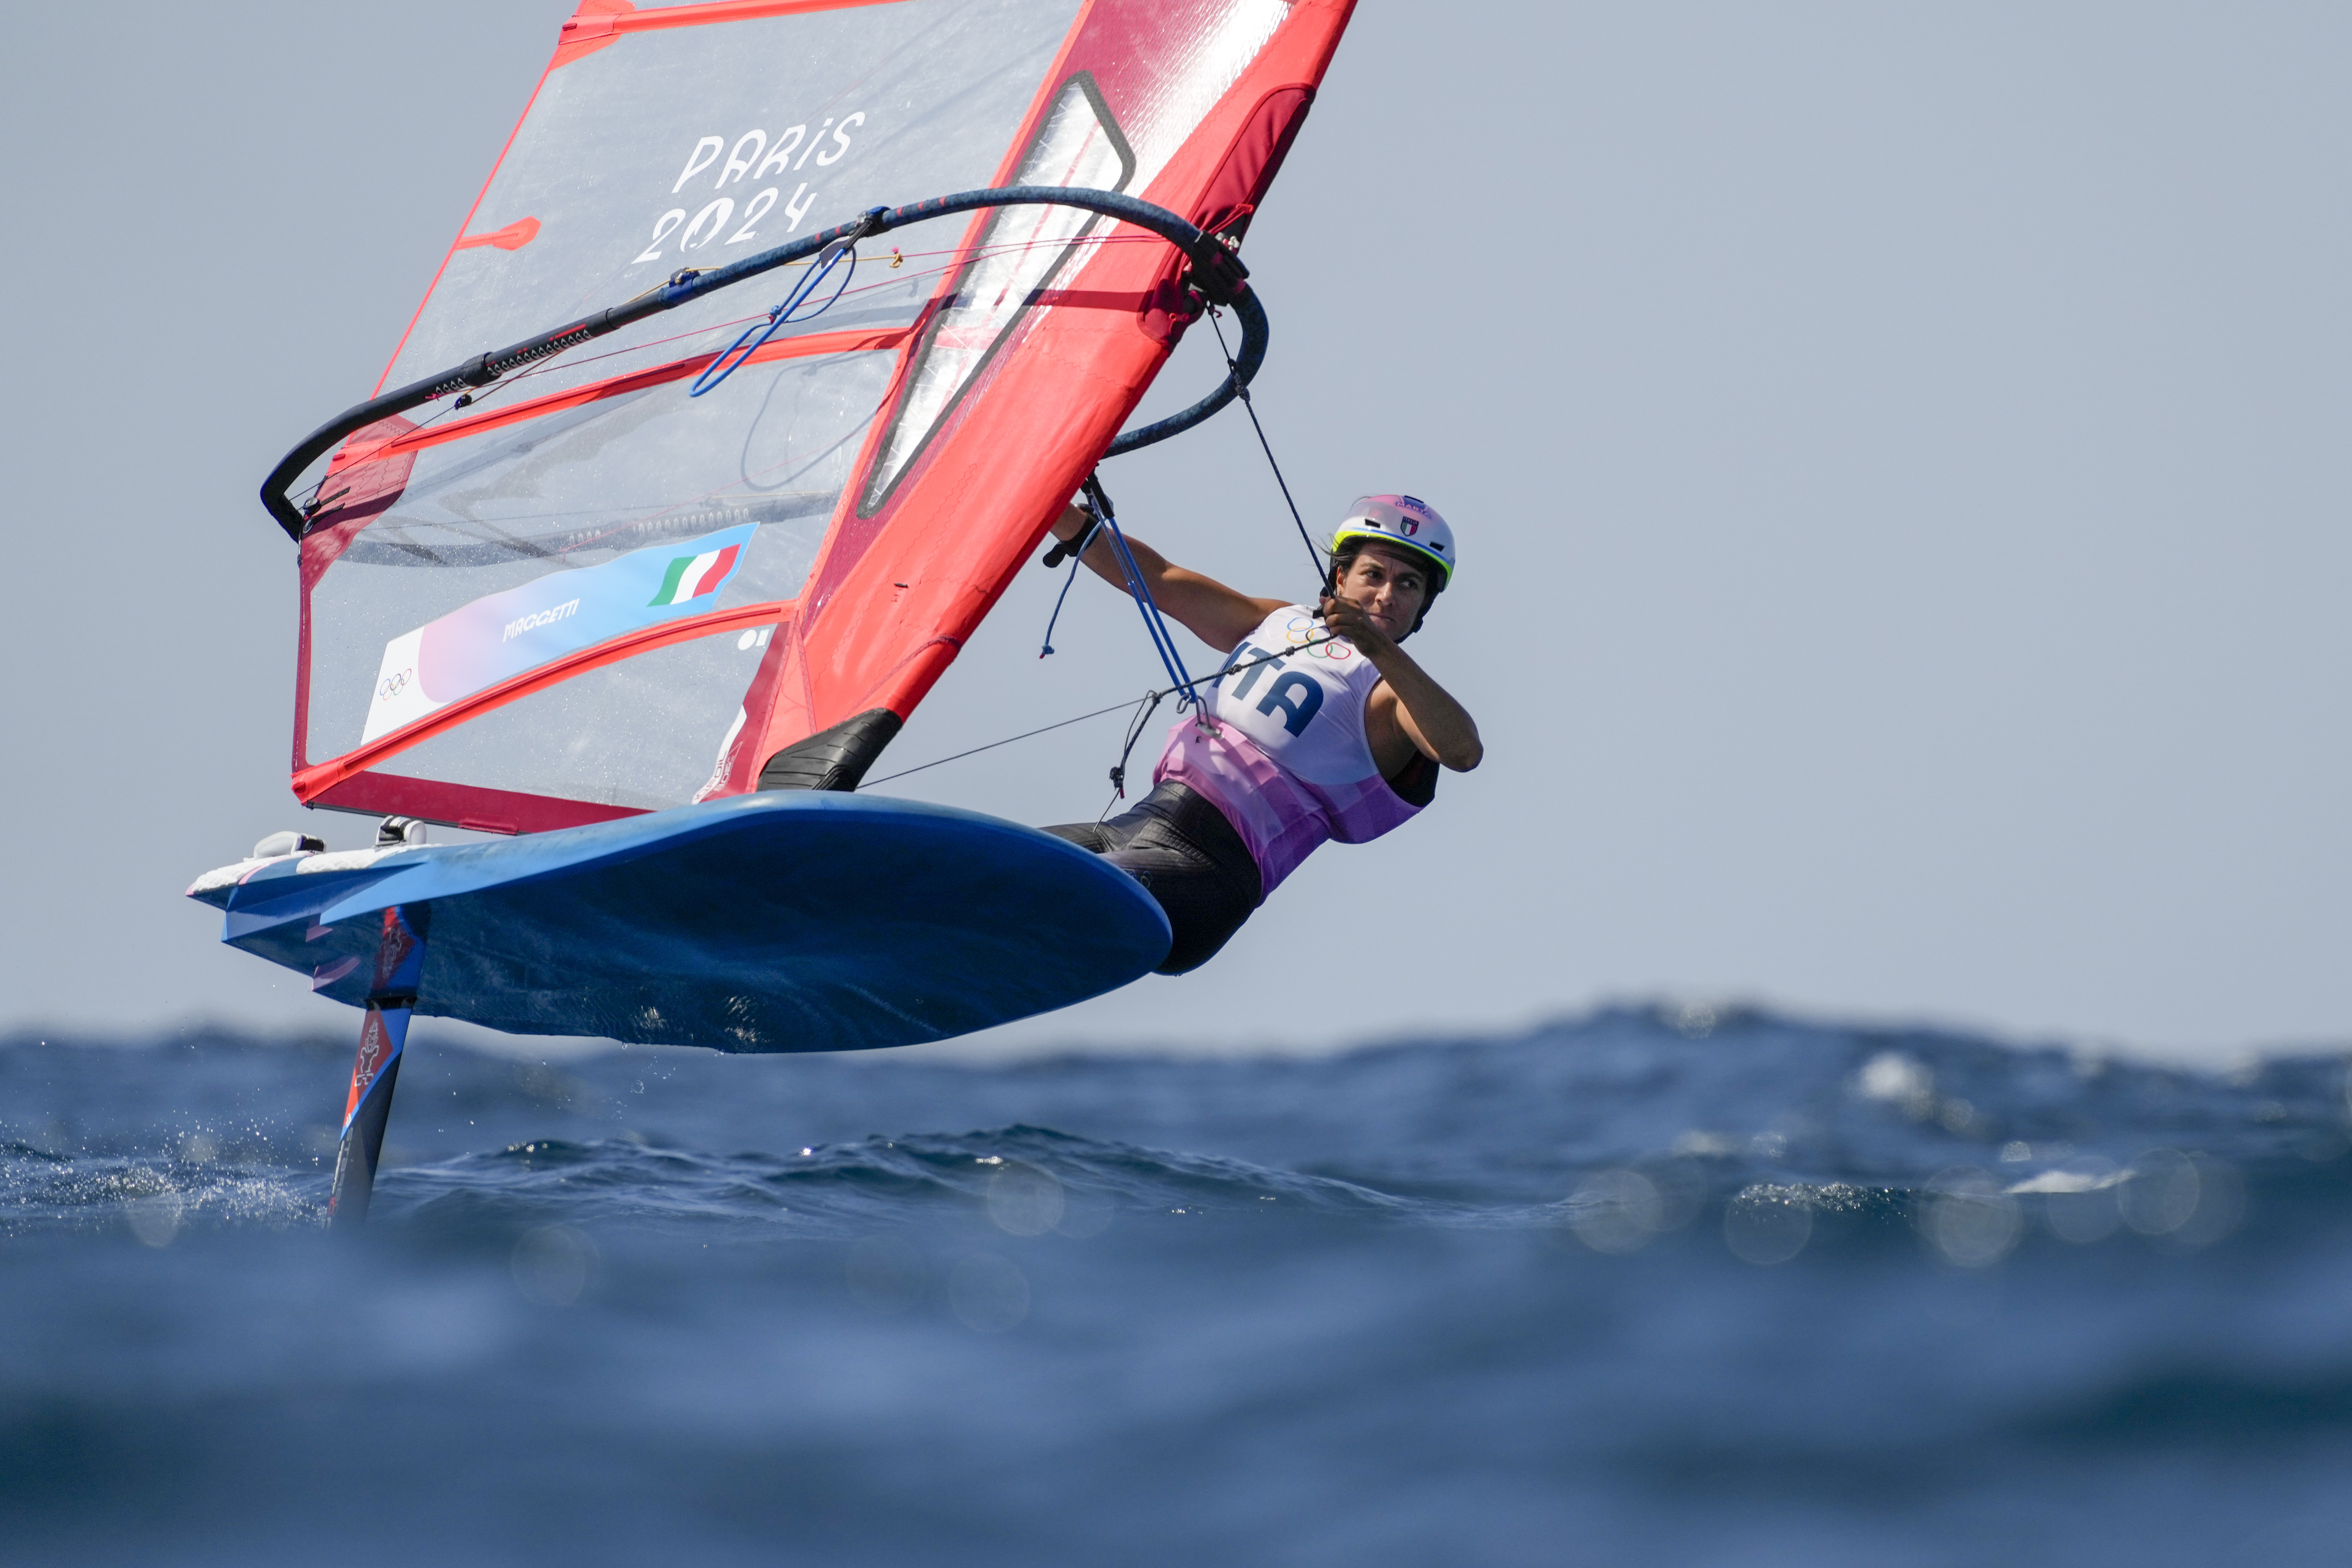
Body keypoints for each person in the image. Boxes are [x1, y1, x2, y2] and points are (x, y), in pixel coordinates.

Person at [1043, 493, 1482, 973]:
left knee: (1057, 885)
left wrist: (1377, 646)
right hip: (1127, 831)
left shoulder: (1392, 700)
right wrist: (1056, 513)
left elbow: (1462, 751)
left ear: (1422, 607)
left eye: (1408, 585)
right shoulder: (1277, 623)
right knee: (993, 863)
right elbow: (1161, 580)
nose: (1386, 595)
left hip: (1204, 880)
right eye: (1373, 575)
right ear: (1340, 578)